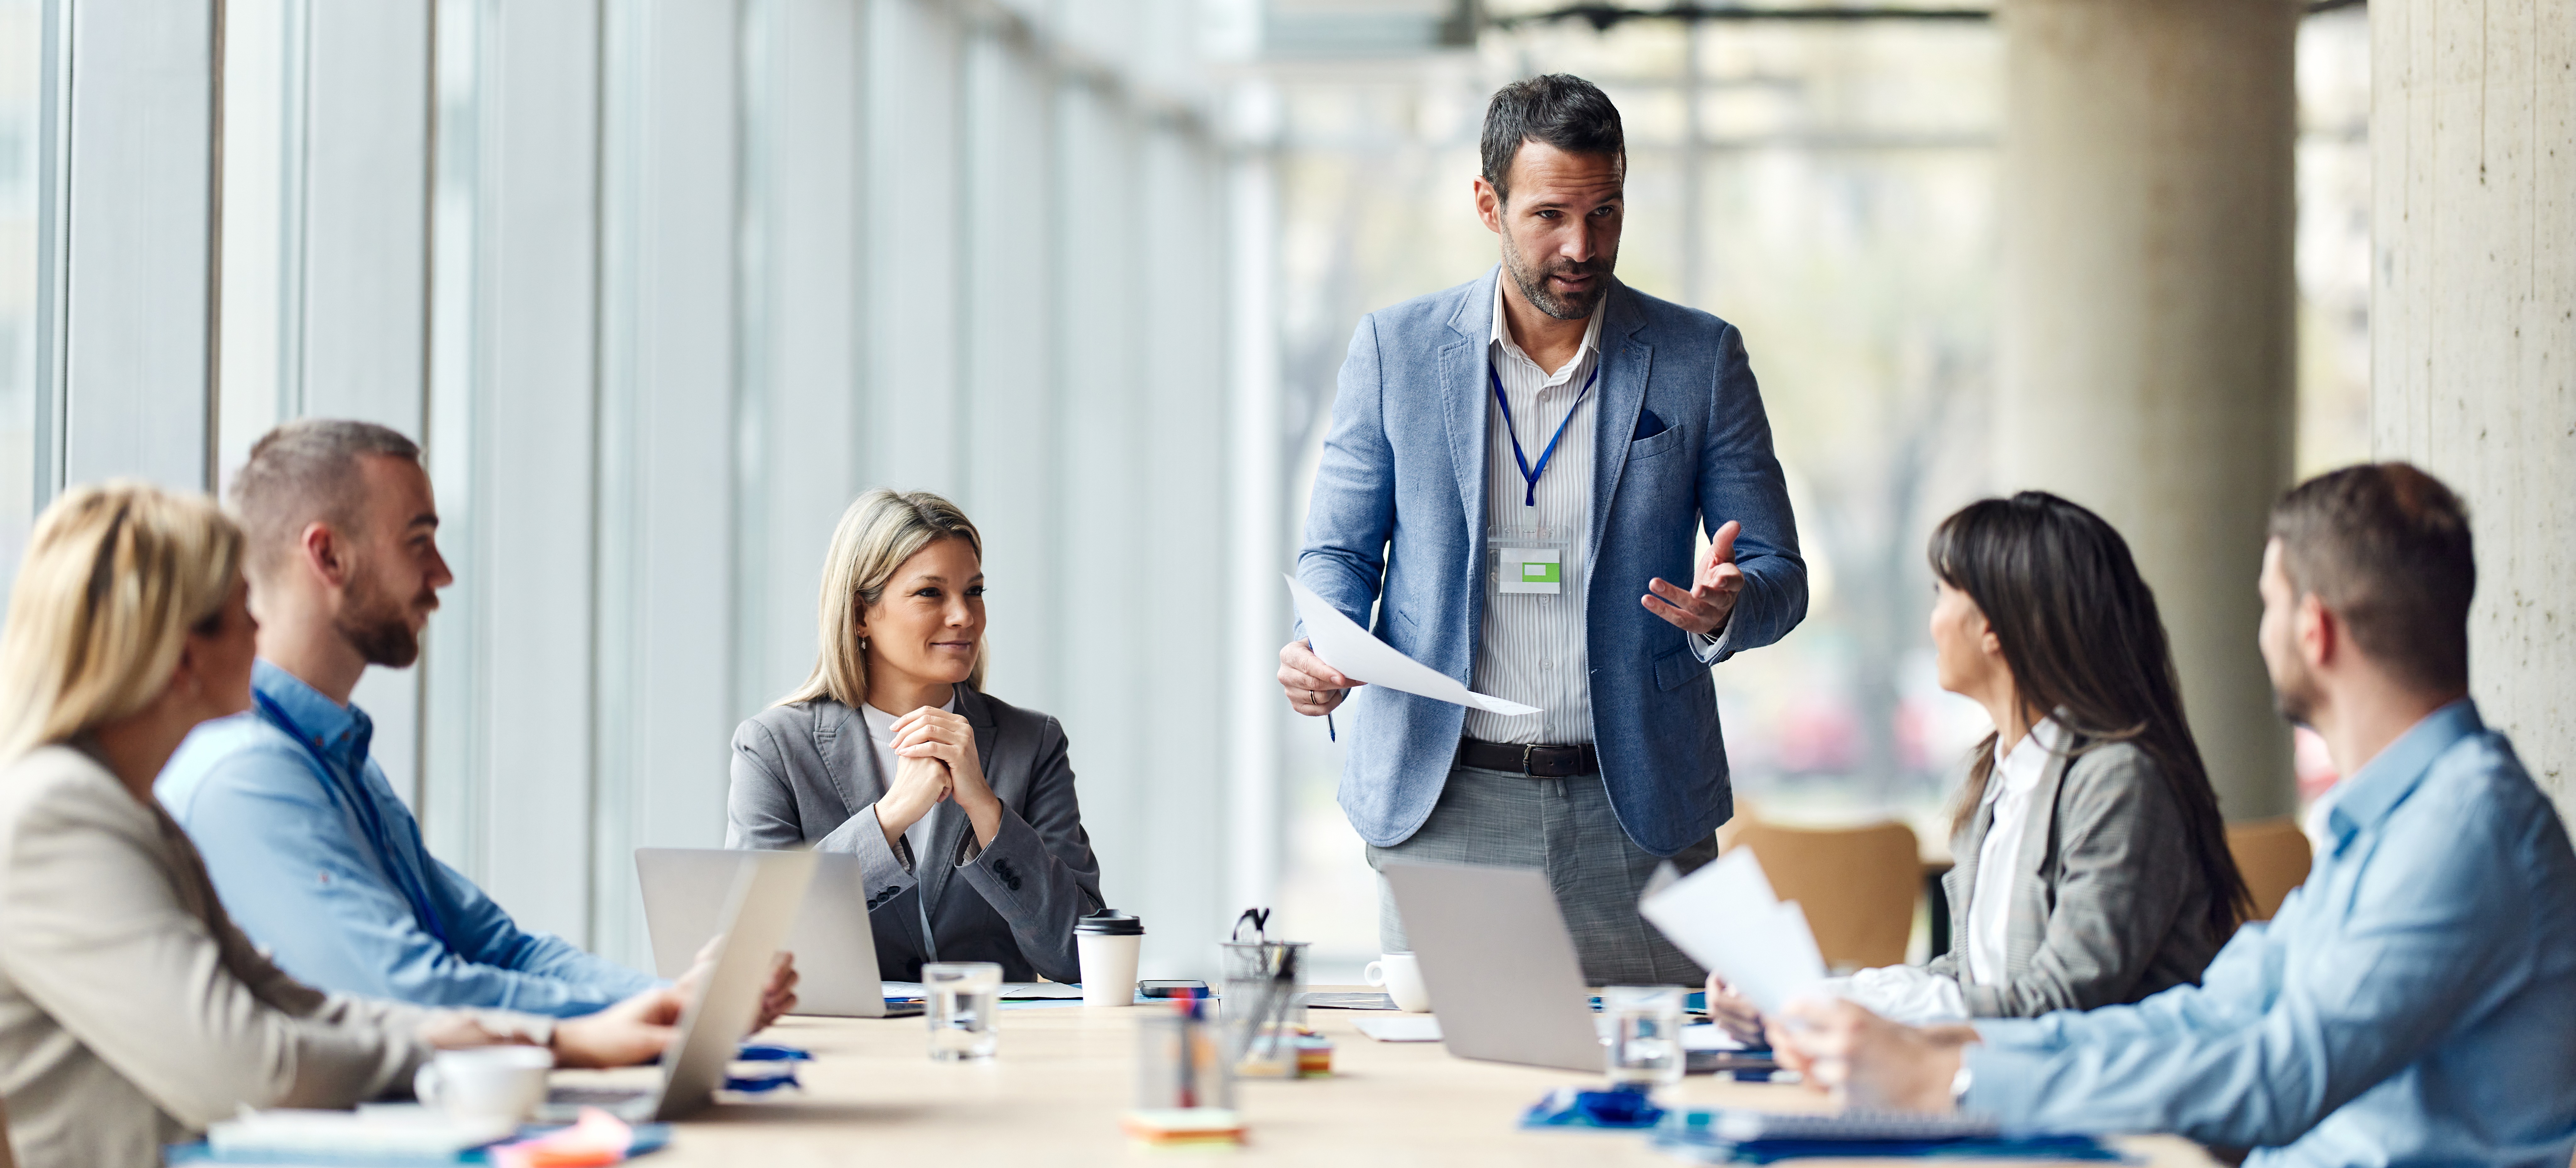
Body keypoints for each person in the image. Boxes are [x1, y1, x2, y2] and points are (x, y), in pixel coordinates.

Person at [1770, 464, 2576, 1165]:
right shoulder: (2392, 820)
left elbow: (2280, 1074)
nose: (2257, 634)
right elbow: (2214, 1011)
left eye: (2265, 603)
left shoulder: (2463, 828)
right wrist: (1952, 1051)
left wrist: (1957, 1076)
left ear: (2313, 629)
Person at [1282, 73, 1806, 985]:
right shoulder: (1395, 352)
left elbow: (1776, 570)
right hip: (1448, 803)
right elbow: (1337, 551)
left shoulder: (1697, 358)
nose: (1581, 245)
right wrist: (1319, 642)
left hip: (1637, 806)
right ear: (1488, 204)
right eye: (1550, 215)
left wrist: (1731, 605)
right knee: (1455, 1105)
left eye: (1606, 213)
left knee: (1660, 1086)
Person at [0, 482, 684, 1168]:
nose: (261, 632)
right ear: (182, 657)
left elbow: (298, 1005)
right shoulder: (59, 817)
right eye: (244, 612)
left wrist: (551, 1042)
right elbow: (248, 1067)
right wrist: (464, 1052)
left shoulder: (133, 811)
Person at [158, 420, 795, 1021]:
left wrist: (675, 998)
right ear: (329, 556)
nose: (442, 574)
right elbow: (413, 993)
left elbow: (498, 949)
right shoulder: (246, 772)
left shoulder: (334, 756)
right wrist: (663, 1011)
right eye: (418, 542)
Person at [1707, 493, 2248, 1036]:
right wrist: (1800, 1000)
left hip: (2101, 1107)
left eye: (1943, 596)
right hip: (2008, 1088)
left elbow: (2058, 1002)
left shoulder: (2117, 783)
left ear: (1993, 625)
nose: (1933, 621)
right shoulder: (1997, 774)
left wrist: (1840, 1014)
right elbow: (1967, 979)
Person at [727, 489, 1104, 983]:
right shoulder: (773, 747)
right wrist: (890, 816)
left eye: (974, 591)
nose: (964, 616)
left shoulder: (1032, 743)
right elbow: (754, 949)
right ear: (862, 614)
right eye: (931, 593)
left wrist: (988, 813)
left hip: (991, 1050)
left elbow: (1081, 956)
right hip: (840, 1052)